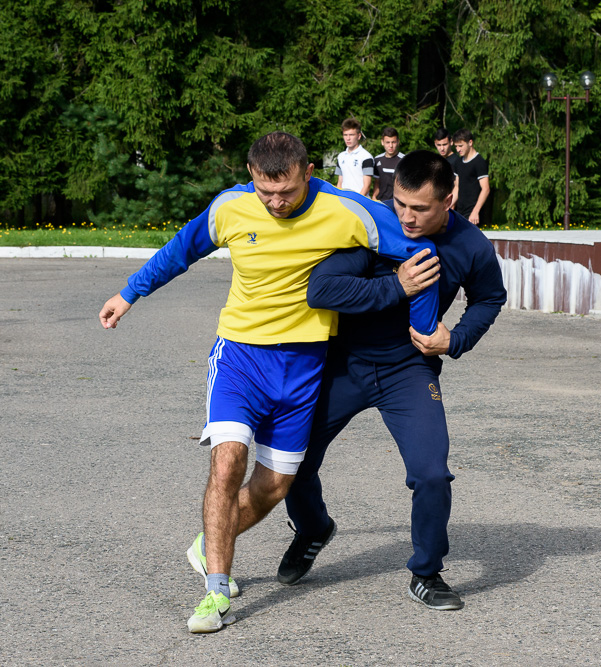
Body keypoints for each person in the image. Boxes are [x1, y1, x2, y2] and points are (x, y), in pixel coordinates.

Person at [98, 131, 440, 633]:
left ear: (306, 172)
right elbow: (180, 250)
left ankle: (208, 543)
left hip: (304, 368)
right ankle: (216, 592)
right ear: (252, 177)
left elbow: (419, 252)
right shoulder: (230, 207)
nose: (276, 203)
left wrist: (424, 328)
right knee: (228, 461)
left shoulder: (349, 211)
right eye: (265, 192)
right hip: (239, 357)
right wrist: (129, 294)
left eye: (286, 192)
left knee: (275, 486)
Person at [275, 150, 507, 610]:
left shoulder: (471, 246)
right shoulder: (369, 230)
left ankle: (426, 573)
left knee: (432, 474)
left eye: (420, 208)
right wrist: (396, 285)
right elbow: (322, 290)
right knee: (292, 461)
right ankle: (313, 528)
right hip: (344, 364)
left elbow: (490, 298)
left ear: (450, 198)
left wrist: (455, 339)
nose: (406, 217)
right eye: (400, 203)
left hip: (409, 371)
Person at [451, 129, 490, 226]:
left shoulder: (479, 162)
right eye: (456, 146)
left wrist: (475, 211)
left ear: (470, 142)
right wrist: (448, 205)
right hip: (460, 212)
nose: (458, 149)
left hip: (473, 213)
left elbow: (486, 189)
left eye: (461, 146)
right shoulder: (458, 162)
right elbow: (457, 187)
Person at [335, 118, 375, 196]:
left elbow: (367, 186)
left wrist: (356, 202)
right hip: (344, 201)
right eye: (345, 135)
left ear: (359, 136)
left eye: (351, 135)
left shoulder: (366, 157)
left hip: (360, 202)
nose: (348, 138)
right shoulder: (341, 156)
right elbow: (340, 182)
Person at [371, 127, 405, 203]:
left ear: (398, 142)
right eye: (387, 142)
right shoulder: (377, 160)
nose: (390, 146)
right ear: (382, 142)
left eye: (393, 142)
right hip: (381, 202)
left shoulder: (404, 160)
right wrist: (374, 196)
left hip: (398, 203)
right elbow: (377, 181)